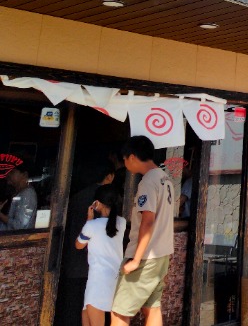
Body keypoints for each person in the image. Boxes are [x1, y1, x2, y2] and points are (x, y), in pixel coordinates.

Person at [111, 136, 174, 326]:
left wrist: (136, 260)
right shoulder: (166, 179)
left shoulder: (148, 182)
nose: (125, 164)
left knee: (119, 311)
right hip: (161, 255)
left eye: (124, 159)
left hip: (145, 257)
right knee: (152, 308)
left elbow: (147, 221)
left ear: (131, 157)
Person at [57, 161, 116, 326]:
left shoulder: (78, 196)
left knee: (73, 308)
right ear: (110, 176)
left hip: (73, 262)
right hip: (93, 267)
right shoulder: (104, 205)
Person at [75, 184, 126, 326]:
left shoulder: (91, 226)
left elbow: (78, 245)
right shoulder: (121, 223)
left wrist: (89, 220)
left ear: (98, 203)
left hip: (97, 282)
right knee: (87, 315)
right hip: (115, 279)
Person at [0, 165, 37, 230]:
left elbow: (20, 226)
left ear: (24, 174)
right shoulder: (17, 193)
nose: (8, 175)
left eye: (12, 172)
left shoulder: (28, 194)